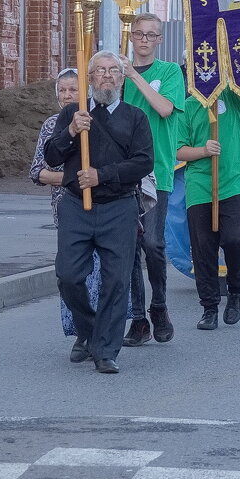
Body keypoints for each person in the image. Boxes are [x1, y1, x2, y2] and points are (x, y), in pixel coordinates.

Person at [44, 52, 154, 374]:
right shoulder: (72, 114)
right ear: (88, 79)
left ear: (121, 79)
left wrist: (102, 175)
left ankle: (106, 351)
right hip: (76, 207)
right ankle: (90, 330)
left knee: (116, 281)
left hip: (118, 207)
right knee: (68, 275)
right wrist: (71, 133)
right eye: (99, 71)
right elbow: (51, 157)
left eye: (113, 71)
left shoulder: (135, 118)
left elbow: (143, 162)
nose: (106, 76)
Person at [32, 67, 133, 347]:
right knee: (72, 276)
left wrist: (99, 178)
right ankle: (83, 333)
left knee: (105, 276)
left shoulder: (105, 117)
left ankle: (104, 337)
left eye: (73, 90)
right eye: (62, 91)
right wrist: (72, 179)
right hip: (69, 207)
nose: (67, 96)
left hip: (107, 207)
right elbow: (38, 170)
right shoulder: (53, 124)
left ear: (85, 91)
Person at [120, 13, 185, 347]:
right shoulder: (118, 76)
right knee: (129, 248)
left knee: (152, 244)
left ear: (159, 40)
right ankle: (138, 319)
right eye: (139, 34)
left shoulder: (170, 72)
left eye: (151, 35)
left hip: (156, 171)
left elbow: (164, 109)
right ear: (131, 37)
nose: (144, 40)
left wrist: (132, 75)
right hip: (122, 174)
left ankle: (158, 305)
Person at [177, 87, 240, 331]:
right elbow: (178, 149)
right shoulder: (187, 106)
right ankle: (209, 307)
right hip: (201, 185)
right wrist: (203, 151)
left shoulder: (234, 97)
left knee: (236, 240)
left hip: (234, 180)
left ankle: (235, 289)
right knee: (203, 249)